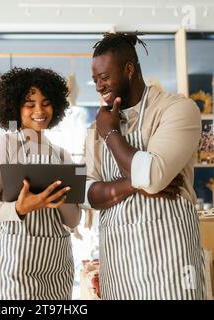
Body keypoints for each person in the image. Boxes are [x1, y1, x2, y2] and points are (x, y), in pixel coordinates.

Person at [84, 32, 205, 300]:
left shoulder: (177, 109)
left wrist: (110, 135)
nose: (99, 87)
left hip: (171, 262)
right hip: (120, 264)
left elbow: (151, 176)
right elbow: (86, 193)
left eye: (104, 78)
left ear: (129, 70)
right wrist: (136, 183)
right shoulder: (95, 127)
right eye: (95, 80)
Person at [0, 67, 81, 300]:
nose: (39, 111)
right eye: (29, 104)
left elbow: (74, 220)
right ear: (15, 107)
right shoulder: (3, 148)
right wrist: (19, 208)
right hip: (17, 269)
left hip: (58, 268)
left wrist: (57, 199)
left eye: (46, 102)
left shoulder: (62, 155)